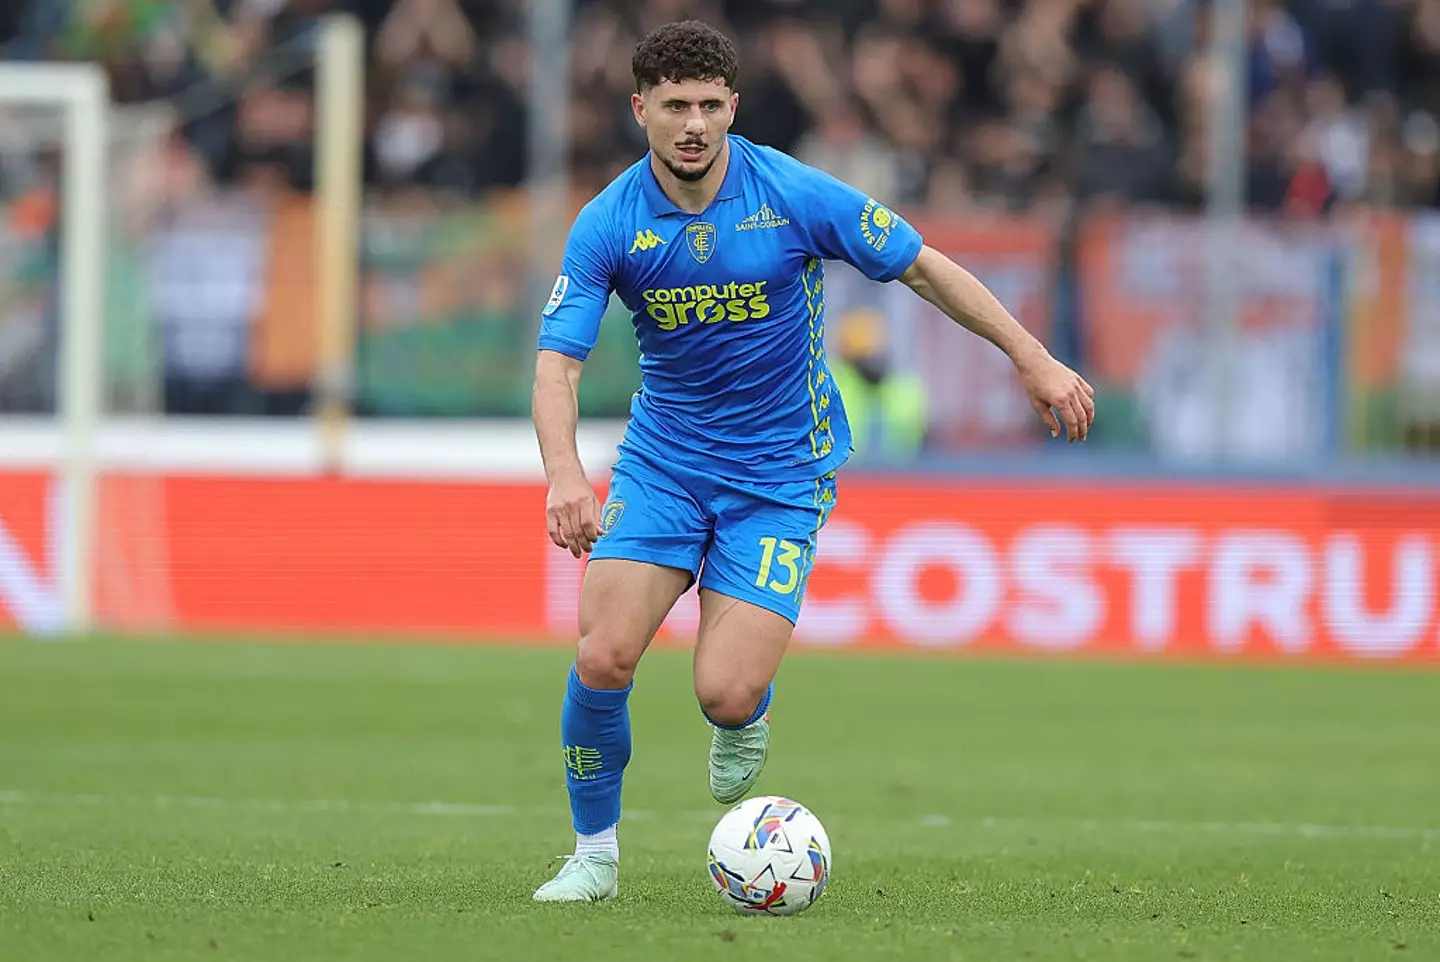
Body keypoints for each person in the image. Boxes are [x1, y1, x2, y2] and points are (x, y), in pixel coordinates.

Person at [530, 19, 1094, 902]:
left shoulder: (789, 192)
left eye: (709, 105)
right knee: (603, 655)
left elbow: (921, 266)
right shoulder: (608, 221)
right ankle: (593, 856)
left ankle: (745, 714)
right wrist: (566, 475)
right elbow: (557, 365)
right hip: (664, 465)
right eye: (675, 106)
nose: (693, 125)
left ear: (733, 106)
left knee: (723, 693)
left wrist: (1031, 355)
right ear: (641, 110)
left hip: (779, 475)